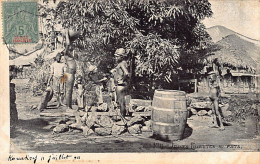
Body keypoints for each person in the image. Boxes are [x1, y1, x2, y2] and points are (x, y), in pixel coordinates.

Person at [111, 48, 130, 117]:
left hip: (120, 86)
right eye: (115, 56)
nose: (116, 58)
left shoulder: (122, 63)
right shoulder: (121, 63)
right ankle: (122, 117)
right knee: (121, 102)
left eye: (117, 56)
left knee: (121, 102)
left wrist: (121, 80)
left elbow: (126, 73)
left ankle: (123, 118)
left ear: (121, 57)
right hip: (119, 85)